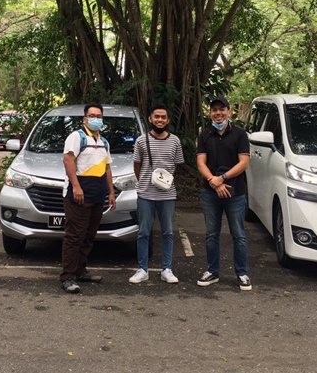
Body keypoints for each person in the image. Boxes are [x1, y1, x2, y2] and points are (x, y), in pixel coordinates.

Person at [196, 96, 252, 291]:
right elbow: (201, 163)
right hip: (210, 192)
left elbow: (243, 163)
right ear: (210, 113)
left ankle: (242, 273)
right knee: (211, 234)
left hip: (236, 193)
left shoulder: (240, 134)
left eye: (222, 109)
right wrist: (214, 181)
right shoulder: (205, 136)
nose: (218, 113)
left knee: (239, 234)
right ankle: (212, 271)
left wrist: (223, 178)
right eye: (214, 110)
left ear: (229, 112)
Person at [59, 103, 116, 294]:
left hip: (97, 195)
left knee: (88, 236)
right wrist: (76, 186)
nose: (96, 119)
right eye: (92, 116)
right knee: (74, 236)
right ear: (85, 119)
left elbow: (107, 168)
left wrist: (111, 192)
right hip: (78, 195)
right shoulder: (77, 137)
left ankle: (80, 271)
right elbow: (68, 160)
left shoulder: (104, 142)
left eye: (99, 116)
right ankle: (67, 277)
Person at [129, 103, 185, 284]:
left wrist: (165, 181)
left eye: (163, 117)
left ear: (168, 120)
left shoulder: (175, 141)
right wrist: (145, 181)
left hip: (167, 195)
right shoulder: (141, 141)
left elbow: (176, 165)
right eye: (157, 117)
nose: (160, 120)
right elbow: (137, 165)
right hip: (145, 194)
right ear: (150, 119)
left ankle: (167, 269)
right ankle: (142, 269)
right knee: (143, 232)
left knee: (168, 232)